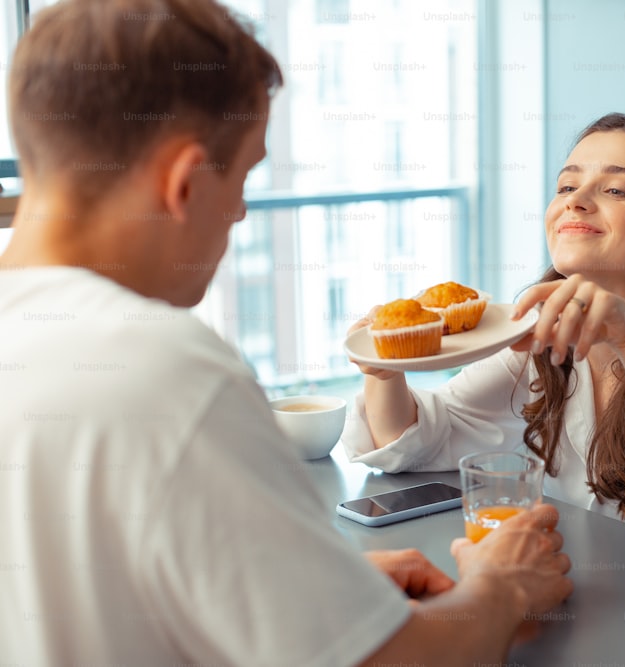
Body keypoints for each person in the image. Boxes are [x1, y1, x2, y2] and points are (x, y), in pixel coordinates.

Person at [0, 1, 571, 665]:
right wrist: (500, 588)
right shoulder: (168, 371)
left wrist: (315, 593)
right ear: (182, 183)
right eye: (241, 176)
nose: (240, 209)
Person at [345, 112, 625, 566]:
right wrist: (384, 371)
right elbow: (413, 441)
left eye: (615, 189)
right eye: (567, 187)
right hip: (593, 601)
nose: (576, 202)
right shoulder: (536, 334)